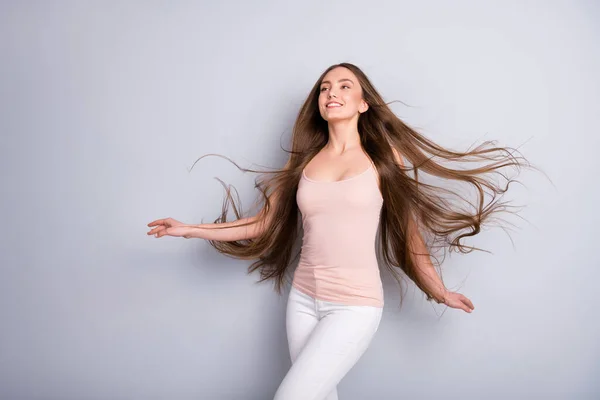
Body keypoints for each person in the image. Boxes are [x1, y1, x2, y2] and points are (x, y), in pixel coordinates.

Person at [147, 63, 530, 400]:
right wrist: (189, 230)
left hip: (355, 305)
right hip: (302, 300)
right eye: (325, 87)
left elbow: (409, 235)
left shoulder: (382, 161)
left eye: (345, 85)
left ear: (364, 104)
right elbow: (263, 222)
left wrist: (438, 290)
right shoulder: (304, 164)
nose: (332, 92)